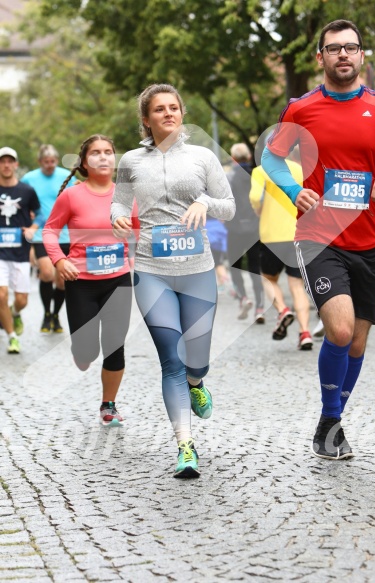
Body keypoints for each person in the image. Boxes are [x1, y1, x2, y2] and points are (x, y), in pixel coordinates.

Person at [262, 19, 375, 460]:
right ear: (321, 57)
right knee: (338, 329)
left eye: (351, 48)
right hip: (319, 237)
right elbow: (270, 157)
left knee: (356, 342)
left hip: (369, 241)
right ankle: (332, 424)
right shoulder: (301, 109)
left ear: (361, 56)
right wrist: (295, 191)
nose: (343, 55)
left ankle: (329, 420)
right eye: (334, 49)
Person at [111, 83, 235, 478]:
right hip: (151, 271)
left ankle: (199, 382)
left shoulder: (202, 157)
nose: (168, 113)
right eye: (159, 109)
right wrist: (115, 216)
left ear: (182, 112)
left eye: (174, 107)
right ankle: (185, 445)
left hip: (197, 271)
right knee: (172, 360)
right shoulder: (130, 161)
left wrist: (203, 202)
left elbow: (229, 207)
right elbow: (118, 200)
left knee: (195, 361)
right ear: (146, 119)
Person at [43, 135, 139, 426]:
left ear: (115, 159)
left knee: (115, 344)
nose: (103, 157)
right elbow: (49, 231)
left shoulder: (126, 196)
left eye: (108, 152)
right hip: (80, 281)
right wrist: (60, 260)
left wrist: (134, 254)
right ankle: (81, 351)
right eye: (95, 153)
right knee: (86, 353)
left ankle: (108, 405)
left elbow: (140, 231)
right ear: (84, 163)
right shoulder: (72, 196)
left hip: (118, 280)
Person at [250, 147, 313, 349]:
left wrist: (259, 211)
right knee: (297, 285)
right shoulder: (299, 169)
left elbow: (254, 197)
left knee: (268, 279)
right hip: (298, 233)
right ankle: (305, 333)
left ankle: (283, 310)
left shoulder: (261, 171)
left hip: (272, 235)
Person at [21, 144, 76, 334]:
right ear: (40, 162)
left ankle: (55, 315)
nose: (50, 165)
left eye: (53, 161)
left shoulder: (66, 176)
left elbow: (77, 199)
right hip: (40, 234)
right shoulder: (29, 178)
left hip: (65, 234)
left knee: (61, 280)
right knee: (46, 273)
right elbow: (23, 203)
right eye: (46, 162)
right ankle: (46, 314)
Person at [0, 147, 42, 354]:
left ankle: (14, 313)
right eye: (2, 161)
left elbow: (41, 214)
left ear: (15, 164)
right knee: (1, 295)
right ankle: (12, 337)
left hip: (21, 253)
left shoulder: (26, 191)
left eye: (10, 161)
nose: (6, 165)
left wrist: (33, 229)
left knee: (22, 300)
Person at [226, 143, 265, 323]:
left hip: (234, 229)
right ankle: (259, 307)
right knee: (255, 267)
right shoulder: (256, 176)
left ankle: (243, 298)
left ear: (233, 158)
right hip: (254, 228)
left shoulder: (229, 178)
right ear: (249, 157)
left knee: (234, 265)